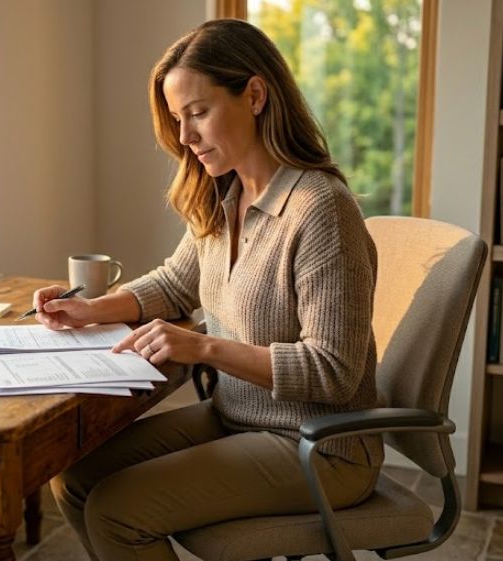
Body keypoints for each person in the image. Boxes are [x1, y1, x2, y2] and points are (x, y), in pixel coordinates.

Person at [32, 18, 383, 561]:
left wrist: (202, 347)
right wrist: (88, 309)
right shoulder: (229, 196)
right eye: (177, 119)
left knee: (116, 511)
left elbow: (334, 373)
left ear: (256, 95)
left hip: (322, 446)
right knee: (73, 476)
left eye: (197, 113)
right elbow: (176, 282)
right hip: (237, 417)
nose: (185, 136)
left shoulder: (320, 210)